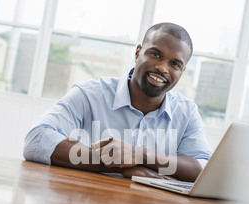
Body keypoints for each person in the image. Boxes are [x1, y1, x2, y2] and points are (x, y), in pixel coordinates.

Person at [24, 22, 212, 182]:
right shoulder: (89, 94)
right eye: (155, 54)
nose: (162, 68)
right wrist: (120, 167)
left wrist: (139, 155)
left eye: (175, 64)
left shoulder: (187, 112)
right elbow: (36, 139)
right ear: (138, 52)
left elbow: (204, 168)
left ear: (182, 71)